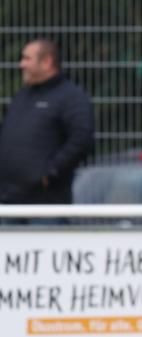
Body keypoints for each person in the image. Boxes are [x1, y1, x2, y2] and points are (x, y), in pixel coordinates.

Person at [0, 39, 95, 223]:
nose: (21, 64)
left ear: (47, 62)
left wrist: (50, 172)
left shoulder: (70, 97)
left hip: (46, 205)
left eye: (27, 58)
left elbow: (82, 139)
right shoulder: (23, 96)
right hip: (10, 202)